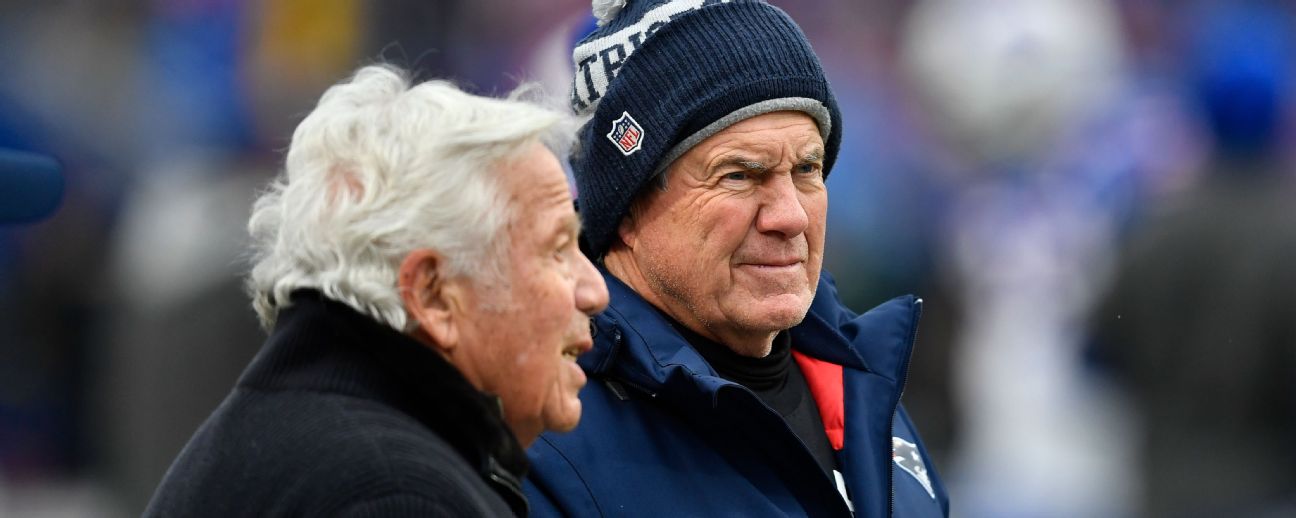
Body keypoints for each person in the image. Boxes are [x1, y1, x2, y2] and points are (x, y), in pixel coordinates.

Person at [523, 1, 949, 516]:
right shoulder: (542, 439)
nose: (789, 216)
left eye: (808, 169)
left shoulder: (864, 387)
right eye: (740, 175)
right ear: (627, 210)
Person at [143, 64, 609, 517]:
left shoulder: (295, 440)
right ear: (432, 295)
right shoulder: (398, 496)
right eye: (557, 249)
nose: (594, 291)